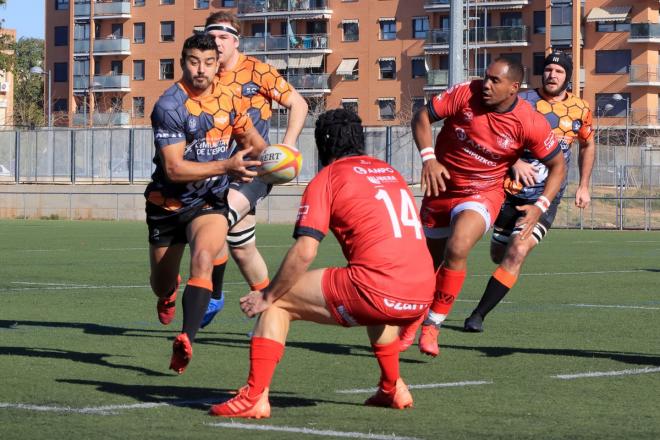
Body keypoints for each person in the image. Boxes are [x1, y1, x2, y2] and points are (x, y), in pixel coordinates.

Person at [208, 109, 436, 419]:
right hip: (422, 293)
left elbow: (305, 251)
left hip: (379, 288)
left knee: (278, 303)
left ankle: (255, 395)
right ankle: (392, 386)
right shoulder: (390, 172)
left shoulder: (328, 178)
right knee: (374, 298)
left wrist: (267, 294)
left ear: (321, 146)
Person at [404, 57, 567, 357]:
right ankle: (413, 318)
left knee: (458, 247)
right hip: (440, 187)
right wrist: (429, 158)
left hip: (482, 192)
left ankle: (432, 325)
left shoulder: (529, 121)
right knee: (427, 265)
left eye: (495, 80)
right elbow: (421, 118)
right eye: (486, 77)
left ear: (513, 88)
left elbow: (558, 166)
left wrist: (540, 206)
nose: (486, 85)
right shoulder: (465, 93)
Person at [146, 33, 267, 374]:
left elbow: (252, 140)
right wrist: (226, 166)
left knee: (203, 258)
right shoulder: (169, 106)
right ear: (183, 62)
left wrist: (275, 159)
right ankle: (168, 294)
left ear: (218, 65)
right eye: (194, 62)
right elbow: (173, 167)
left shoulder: (230, 98)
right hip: (167, 204)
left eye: (209, 63)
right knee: (162, 283)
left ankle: (186, 339)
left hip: (208, 201)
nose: (201, 70)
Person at [464, 52, 595, 332]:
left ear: (568, 76)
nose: (552, 75)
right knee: (499, 255)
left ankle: (478, 315)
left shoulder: (581, 109)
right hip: (508, 191)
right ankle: (501, 241)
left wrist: (584, 185)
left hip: (545, 197)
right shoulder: (522, 102)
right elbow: (491, 131)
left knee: (517, 251)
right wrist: (515, 161)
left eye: (559, 71)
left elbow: (587, 145)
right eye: (548, 69)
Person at [199, 12, 309, 328]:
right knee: (243, 248)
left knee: (215, 222)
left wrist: (286, 147)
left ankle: (214, 294)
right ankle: (273, 310)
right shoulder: (204, 76)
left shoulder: (259, 72)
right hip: (217, 171)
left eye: (222, 37)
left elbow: (299, 104)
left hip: (255, 170)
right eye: (212, 38)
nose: (216, 43)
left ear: (235, 41)